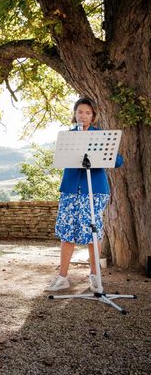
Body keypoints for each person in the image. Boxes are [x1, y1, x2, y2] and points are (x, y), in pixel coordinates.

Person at [45, 97, 123, 292]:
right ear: (74, 114)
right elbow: (61, 159)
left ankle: (95, 277)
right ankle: (62, 277)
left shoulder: (101, 135)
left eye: (88, 112)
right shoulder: (68, 136)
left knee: (92, 233)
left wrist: (104, 153)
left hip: (95, 190)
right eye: (80, 111)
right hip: (71, 189)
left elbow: (118, 161)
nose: (83, 115)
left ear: (93, 116)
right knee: (67, 232)